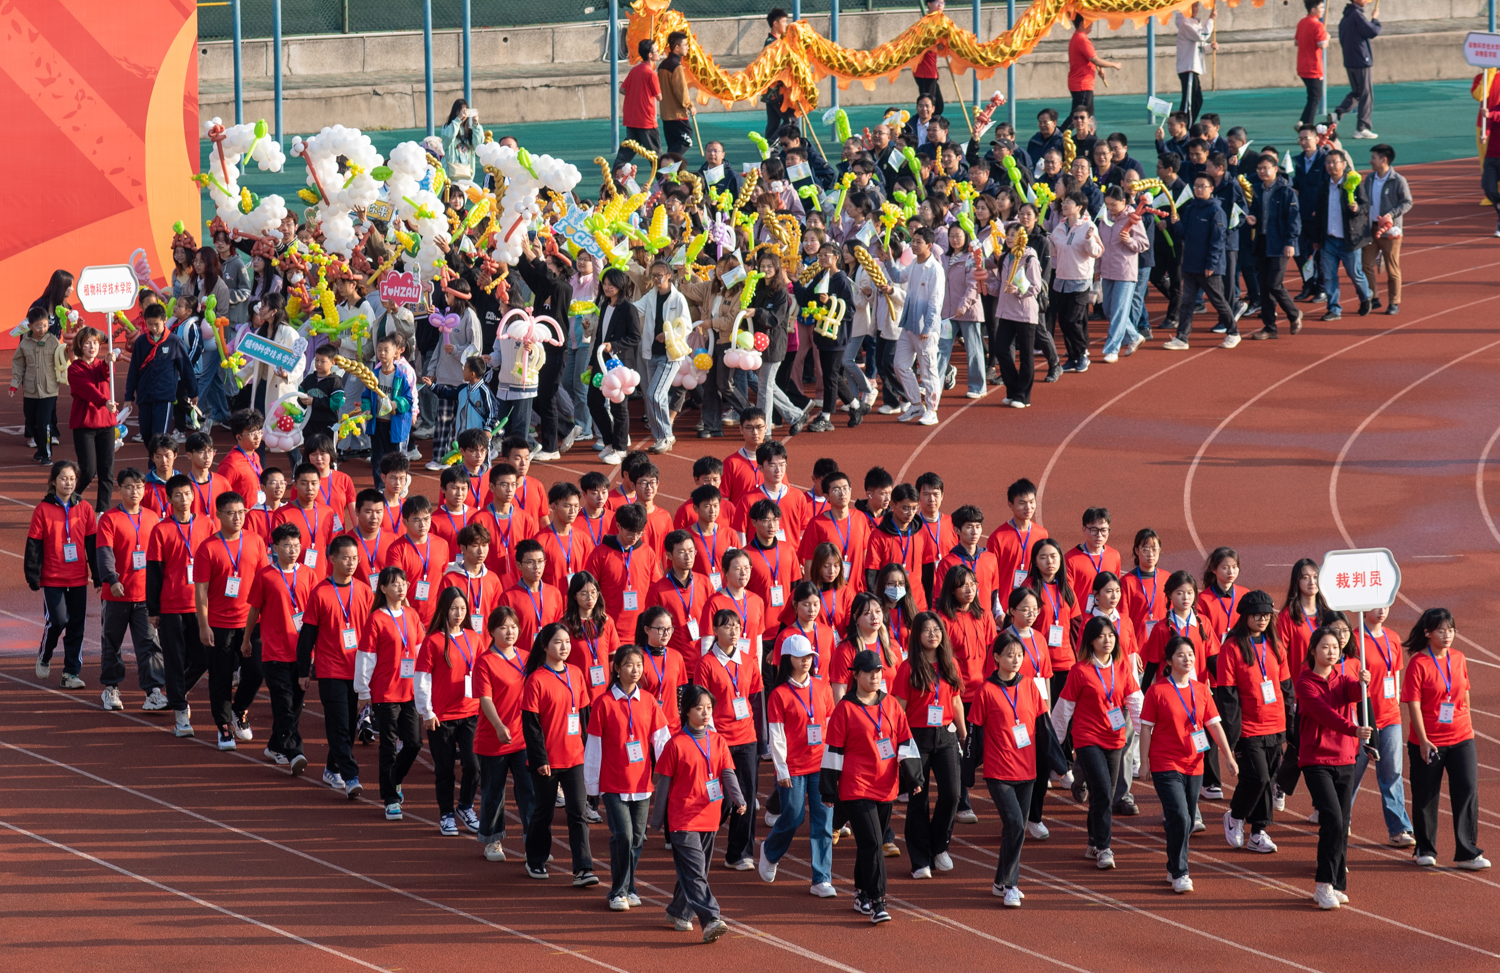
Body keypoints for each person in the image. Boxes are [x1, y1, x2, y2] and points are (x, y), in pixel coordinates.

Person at [820, 649, 922, 924]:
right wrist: (828, 790)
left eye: (879, 671)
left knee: (868, 844)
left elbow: (905, 742)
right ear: (857, 675)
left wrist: (914, 778)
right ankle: (878, 901)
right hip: (856, 787)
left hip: (886, 786)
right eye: (870, 672)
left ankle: (861, 892)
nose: (876, 676)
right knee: (875, 843)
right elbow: (833, 752)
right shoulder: (845, 709)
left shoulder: (890, 705)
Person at [1140, 635, 1236, 893]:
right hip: (1165, 762)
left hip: (1195, 764)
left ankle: (1173, 866)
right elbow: (1146, 729)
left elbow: (1214, 725)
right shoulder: (1157, 691)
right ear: (1169, 661)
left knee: (1181, 819)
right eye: (1181, 655)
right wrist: (1144, 763)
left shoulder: (1202, 690)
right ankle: (1181, 871)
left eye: (1191, 654)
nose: (1187, 658)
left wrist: (1228, 756)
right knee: (1182, 816)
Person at [649, 684, 742, 941]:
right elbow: (663, 785)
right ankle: (711, 918)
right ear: (686, 711)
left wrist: (739, 799)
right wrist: (657, 821)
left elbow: (727, 774)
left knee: (696, 871)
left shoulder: (718, 741)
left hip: (710, 817)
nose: (705, 713)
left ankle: (679, 911)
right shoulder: (675, 744)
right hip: (683, 819)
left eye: (709, 708)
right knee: (695, 870)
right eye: (699, 708)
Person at [968, 631, 1053, 904]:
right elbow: (974, 735)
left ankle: (999, 881)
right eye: (1009, 655)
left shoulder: (1030, 686)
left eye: (1019, 655)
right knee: (1016, 824)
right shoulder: (986, 691)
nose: (1016, 660)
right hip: (998, 771)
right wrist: (967, 769)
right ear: (996, 658)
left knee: (1013, 829)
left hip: (1027, 771)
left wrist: (1060, 767)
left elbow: (1044, 730)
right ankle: (1011, 885)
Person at [1052, 616, 1142, 869]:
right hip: (1087, 738)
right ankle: (1104, 847)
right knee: (1102, 790)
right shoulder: (1079, 671)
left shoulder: (1122, 667)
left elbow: (1135, 703)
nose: (1107, 640)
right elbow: (1064, 709)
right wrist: (1055, 745)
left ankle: (1093, 841)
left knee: (1105, 794)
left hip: (1115, 738)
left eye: (1111, 635)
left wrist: (1148, 738)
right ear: (1091, 640)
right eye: (1101, 636)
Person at [1401, 608, 1488, 870]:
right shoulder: (1419, 663)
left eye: (1451, 629)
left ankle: (1467, 851)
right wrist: (1425, 740)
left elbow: (1465, 693)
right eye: (1441, 629)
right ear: (1428, 632)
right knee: (1426, 794)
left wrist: (1469, 727)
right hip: (1428, 741)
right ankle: (1425, 848)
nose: (1447, 634)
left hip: (1461, 736)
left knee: (1467, 790)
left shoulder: (1459, 658)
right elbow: (1413, 704)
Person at [585, 643, 670, 911]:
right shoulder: (603, 703)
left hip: (642, 784)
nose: (635, 670)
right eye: (629, 665)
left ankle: (630, 887)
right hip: (613, 783)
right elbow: (594, 748)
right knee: (623, 835)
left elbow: (663, 742)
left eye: (639, 665)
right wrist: (592, 786)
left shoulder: (649, 702)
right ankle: (617, 892)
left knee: (637, 838)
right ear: (617, 668)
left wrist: (672, 774)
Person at [1296, 625, 1372, 908]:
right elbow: (1323, 714)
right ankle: (1323, 884)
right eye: (1325, 647)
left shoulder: (1343, 678)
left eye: (1335, 648)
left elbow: (1354, 693)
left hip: (1345, 758)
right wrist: (1353, 730)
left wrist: (1365, 681)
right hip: (1316, 759)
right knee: (1331, 819)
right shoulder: (1305, 682)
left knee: (1343, 822)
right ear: (1313, 650)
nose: (1331, 652)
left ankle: (1338, 883)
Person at [759, 632, 838, 894]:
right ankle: (770, 851)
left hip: (820, 765)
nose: (806, 661)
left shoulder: (822, 687)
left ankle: (821, 878)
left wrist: (834, 763)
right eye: (800, 657)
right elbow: (777, 735)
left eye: (809, 657)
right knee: (792, 817)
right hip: (792, 766)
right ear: (787, 660)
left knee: (823, 822)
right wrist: (781, 769)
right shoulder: (779, 694)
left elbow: (831, 726)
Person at [296, 534, 374, 798]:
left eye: (355, 558)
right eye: (345, 558)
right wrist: (303, 671)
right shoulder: (320, 593)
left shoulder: (364, 590)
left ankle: (332, 767)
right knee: (339, 724)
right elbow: (307, 636)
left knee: (350, 725)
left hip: (358, 669)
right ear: (332, 559)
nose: (351, 563)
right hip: (330, 669)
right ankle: (351, 775)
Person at [891, 611, 966, 879]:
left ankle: (938, 846)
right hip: (916, 738)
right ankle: (920, 859)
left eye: (937, 629)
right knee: (918, 799)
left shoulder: (950, 665)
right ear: (916, 635)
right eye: (926, 630)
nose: (932, 634)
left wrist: (963, 735)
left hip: (946, 735)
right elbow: (898, 708)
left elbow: (956, 701)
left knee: (952, 795)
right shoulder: (907, 667)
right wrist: (900, 741)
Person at [522, 620, 598, 885]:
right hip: (547, 761)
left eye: (567, 642)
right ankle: (536, 859)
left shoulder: (576, 673)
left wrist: (588, 752)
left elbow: (585, 716)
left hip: (575, 757)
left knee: (578, 812)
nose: (564, 646)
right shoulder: (536, 680)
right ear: (544, 646)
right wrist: (541, 759)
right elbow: (531, 726)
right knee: (544, 812)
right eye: (557, 642)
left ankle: (583, 869)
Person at [191, 490, 267, 751]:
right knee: (221, 677)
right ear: (219, 515)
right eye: (231, 513)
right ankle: (223, 727)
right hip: (219, 624)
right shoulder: (208, 548)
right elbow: (200, 589)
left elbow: (263, 581)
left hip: (250, 623)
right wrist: (203, 624)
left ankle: (239, 709)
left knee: (257, 671)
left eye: (242, 512)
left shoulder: (256, 541)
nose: (238, 517)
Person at [1215, 590, 1289, 855]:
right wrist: (1232, 737)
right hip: (1249, 727)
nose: (1262, 619)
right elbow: (1227, 695)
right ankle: (1235, 816)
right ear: (1245, 616)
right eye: (1257, 614)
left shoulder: (1277, 646)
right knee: (1256, 778)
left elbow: (1285, 687)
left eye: (1267, 615)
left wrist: (1290, 726)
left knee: (1268, 780)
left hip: (1276, 724)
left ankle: (1258, 832)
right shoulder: (1231, 647)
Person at [696, 607, 763, 869]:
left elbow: (755, 698)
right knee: (719, 799)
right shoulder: (706, 664)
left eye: (737, 625)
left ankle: (739, 853)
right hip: (718, 739)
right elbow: (701, 704)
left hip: (747, 738)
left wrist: (760, 736)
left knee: (746, 796)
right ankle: (700, 842)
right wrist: (710, 737)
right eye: (726, 626)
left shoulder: (748, 660)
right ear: (714, 631)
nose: (734, 630)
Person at [356, 566, 425, 820]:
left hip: (410, 691)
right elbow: (366, 657)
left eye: (403, 583)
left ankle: (394, 779)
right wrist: (363, 690)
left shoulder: (412, 614)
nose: (401, 587)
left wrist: (425, 685)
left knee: (415, 743)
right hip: (385, 691)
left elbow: (421, 650)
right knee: (388, 746)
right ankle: (390, 798)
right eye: (395, 584)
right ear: (383, 588)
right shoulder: (376, 619)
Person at [95, 468, 166, 712]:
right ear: (120, 489)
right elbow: (104, 552)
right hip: (116, 594)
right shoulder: (109, 519)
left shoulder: (153, 517)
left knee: (149, 644)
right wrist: (112, 579)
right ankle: (111, 688)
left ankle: (154, 691)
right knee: (112, 643)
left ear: (144, 489)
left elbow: (159, 557)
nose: (134, 491)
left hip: (145, 595)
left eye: (138, 487)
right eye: (128, 487)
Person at [146, 474, 213, 735]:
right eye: (178, 495)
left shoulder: (207, 524)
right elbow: (153, 572)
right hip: (171, 605)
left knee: (203, 656)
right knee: (174, 659)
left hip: (200, 605)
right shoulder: (161, 530)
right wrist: (153, 610)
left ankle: (176, 690)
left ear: (193, 495)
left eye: (187, 494)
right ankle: (180, 712)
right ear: (169, 499)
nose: (184, 499)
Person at [246, 521, 313, 773]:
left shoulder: (308, 574)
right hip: (274, 651)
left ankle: (275, 745)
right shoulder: (265, 576)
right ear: (274, 547)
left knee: (295, 704)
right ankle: (294, 752)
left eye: (296, 545)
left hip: (302, 652)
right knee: (283, 703)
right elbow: (254, 610)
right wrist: (246, 640)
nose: (293, 550)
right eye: (287, 545)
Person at [26, 460, 98, 690]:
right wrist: (33, 574)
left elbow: (92, 543)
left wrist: (97, 574)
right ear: (53, 481)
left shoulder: (85, 508)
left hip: (77, 576)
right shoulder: (42, 509)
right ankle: (45, 654)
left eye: (72, 478)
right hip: (52, 576)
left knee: (77, 625)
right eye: (63, 478)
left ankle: (70, 672)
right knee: (58, 620)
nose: (68, 482)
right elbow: (34, 544)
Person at [1347, 606, 1414, 847]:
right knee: (1353, 773)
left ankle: (1399, 829)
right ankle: (1341, 819)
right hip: (1363, 718)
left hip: (1390, 717)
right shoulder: (1353, 640)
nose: (1383, 610)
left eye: (1386, 605)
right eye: (1377, 606)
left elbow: (1395, 673)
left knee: (1392, 773)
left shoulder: (1393, 637)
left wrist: (1394, 700)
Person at [473, 605, 533, 861]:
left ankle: (534, 840)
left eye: (513, 626)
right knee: (493, 792)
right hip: (493, 739)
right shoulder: (485, 661)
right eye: (503, 627)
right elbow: (485, 699)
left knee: (529, 791)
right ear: (492, 631)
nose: (510, 632)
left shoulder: (527, 657)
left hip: (523, 738)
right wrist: (499, 725)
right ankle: (492, 840)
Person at [1163, 174, 1237, 350]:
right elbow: (1184, 234)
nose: (1198, 189)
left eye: (1203, 186)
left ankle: (1233, 332)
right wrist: (1176, 224)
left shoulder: (1215, 211)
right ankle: (1182, 338)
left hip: (1208, 267)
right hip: (1190, 264)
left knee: (1218, 300)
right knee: (1187, 302)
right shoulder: (1190, 208)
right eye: (1196, 186)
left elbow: (1218, 240)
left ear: (1211, 189)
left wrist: (1211, 264)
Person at [886, 227, 946, 425]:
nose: (914, 244)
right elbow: (897, 277)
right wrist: (887, 259)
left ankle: (932, 410)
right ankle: (915, 404)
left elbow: (935, 303)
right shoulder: (913, 264)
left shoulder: (935, 270)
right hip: (908, 326)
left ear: (929, 245)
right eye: (913, 240)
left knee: (928, 371)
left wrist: (927, 329)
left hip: (925, 331)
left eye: (919, 241)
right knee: (900, 365)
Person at [1306, 149, 1373, 322]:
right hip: (1328, 239)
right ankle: (1334, 308)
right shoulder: (1323, 186)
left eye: (1334, 162)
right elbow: (1319, 214)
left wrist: (1357, 209)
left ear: (1343, 164)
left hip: (1349, 239)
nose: (1331, 165)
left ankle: (1365, 296)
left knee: (1354, 274)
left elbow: (1366, 206)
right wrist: (1316, 239)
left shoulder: (1354, 184)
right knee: (1328, 275)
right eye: (1328, 162)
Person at [1246, 152, 1304, 340]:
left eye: (1265, 168)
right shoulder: (1257, 189)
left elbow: (1294, 219)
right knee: (1264, 285)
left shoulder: (1286, 191)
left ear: (1275, 169)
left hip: (1279, 243)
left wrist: (1290, 242)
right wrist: (1252, 219)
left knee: (1274, 283)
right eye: (1259, 168)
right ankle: (1269, 327)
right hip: (1262, 241)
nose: (1262, 172)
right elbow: (1255, 212)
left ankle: (1294, 313)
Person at [588, 269, 640, 464]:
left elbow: (635, 337)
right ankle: (609, 442)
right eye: (605, 283)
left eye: (612, 283)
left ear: (621, 285)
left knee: (619, 407)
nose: (608, 287)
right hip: (602, 362)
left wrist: (614, 345)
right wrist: (592, 363)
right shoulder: (603, 305)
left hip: (619, 364)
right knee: (593, 401)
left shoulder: (628, 308)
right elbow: (600, 337)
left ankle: (620, 448)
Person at [67, 327, 118, 512]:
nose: (92, 346)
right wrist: (104, 401)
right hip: (85, 424)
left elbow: (106, 376)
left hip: (106, 423)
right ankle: (71, 495)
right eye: (87, 343)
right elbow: (87, 389)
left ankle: (102, 511)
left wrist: (107, 364)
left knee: (107, 471)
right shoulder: (74, 369)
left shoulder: (103, 364)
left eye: (95, 342)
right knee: (88, 470)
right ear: (80, 345)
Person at [994, 220, 1043, 407]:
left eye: (1014, 235)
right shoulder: (1005, 257)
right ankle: (1013, 389)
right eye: (1008, 234)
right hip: (1006, 312)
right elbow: (1001, 285)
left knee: (1026, 355)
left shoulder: (1030, 258)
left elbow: (1035, 287)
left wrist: (1018, 289)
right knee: (1000, 349)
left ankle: (1023, 395)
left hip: (1024, 312)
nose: (1009, 238)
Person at [10, 306, 64, 464]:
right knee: (31, 420)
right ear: (30, 326)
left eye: (45, 325)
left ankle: (46, 454)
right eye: (39, 325)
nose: (43, 329)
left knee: (44, 422)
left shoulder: (53, 340)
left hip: (49, 390)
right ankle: (40, 449)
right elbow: (18, 365)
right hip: (30, 389)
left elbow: (63, 358)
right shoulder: (25, 344)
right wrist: (14, 385)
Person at [1361, 143, 1410, 315]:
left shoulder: (1398, 180)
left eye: (1373, 158)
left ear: (1384, 160)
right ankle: (1373, 298)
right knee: (1365, 265)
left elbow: (1407, 202)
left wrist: (1391, 214)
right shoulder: (1369, 178)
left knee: (1392, 268)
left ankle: (1394, 302)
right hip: (1371, 229)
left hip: (1391, 232)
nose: (1370, 161)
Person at [1332, 0, 1381, 139]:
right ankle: (1362, 127)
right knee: (1366, 94)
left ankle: (1338, 113)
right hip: (1360, 60)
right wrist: (1375, 19)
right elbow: (1372, 31)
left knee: (1358, 92)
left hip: (1350, 59)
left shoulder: (1347, 15)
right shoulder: (1356, 15)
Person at [615, 39, 662, 168]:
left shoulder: (634, 70)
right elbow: (659, 96)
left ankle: (614, 178)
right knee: (655, 156)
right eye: (656, 51)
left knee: (626, 154)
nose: (659, 53)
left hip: (631, 119)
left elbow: (623, 89)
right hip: (646, 121)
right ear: (650, 55)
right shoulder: (651, 74)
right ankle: (664, 184)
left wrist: (635, 96)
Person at [1067, 16, 1120, 116]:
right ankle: (1060, 132)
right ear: (1082, 23)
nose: (1092, 23)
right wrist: (1114, 65)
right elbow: (1095, 59)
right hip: (1082, 84)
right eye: (1089, 21)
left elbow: (1089, 58)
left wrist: (1100, 68)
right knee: (1079, 116)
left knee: (1089, 117)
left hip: (1083, 84)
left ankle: (1091, 132)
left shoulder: (1079, 37)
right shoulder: (1082, 39)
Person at [1174, 4, 1216, 124]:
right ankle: (1184, 129)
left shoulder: (1193, 23)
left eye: (1197, 6)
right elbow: (1200, 35)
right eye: (1192, 6)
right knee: (1189, 102)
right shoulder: (1184, 23)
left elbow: (1199, 46)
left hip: (1193, 68)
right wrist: (1211, 19)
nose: (1195, 9)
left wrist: (1210, 47)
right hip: (1188, 68)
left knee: (1197, 100)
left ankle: (1186, 126)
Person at [658, 31, 695, 156]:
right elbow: (681, 91)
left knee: (673, 145)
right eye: (685, 45)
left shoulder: (663, 65)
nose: (688, 47)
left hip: (666, 114)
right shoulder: (676, 66)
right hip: (677, 114)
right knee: (686, 141)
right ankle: (667, 166)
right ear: (677, 47)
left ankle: (672, 172)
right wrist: (690, 105)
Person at [761, 8, 796, 138]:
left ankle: (771, 155)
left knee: (773, 123)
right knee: (791, 121)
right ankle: (770, 146)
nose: (786, 25)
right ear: (775, 23)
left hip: (771, 92)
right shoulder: (773, 43)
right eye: (784, 21)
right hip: (776, 90)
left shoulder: (777, 42)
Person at [1295, 1, 1331, 127]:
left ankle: (1303, 122)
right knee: (1315, 97)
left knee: (1313, 96)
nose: (1323, 10)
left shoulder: (1302, 22)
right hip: (1313, 67)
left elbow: (1296, 42)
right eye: (1321, 7)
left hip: (1302, 65)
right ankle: (1306, 124)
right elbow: (1322, 45)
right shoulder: (1318, 25)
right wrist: (1327, 38)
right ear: (1313, 9)